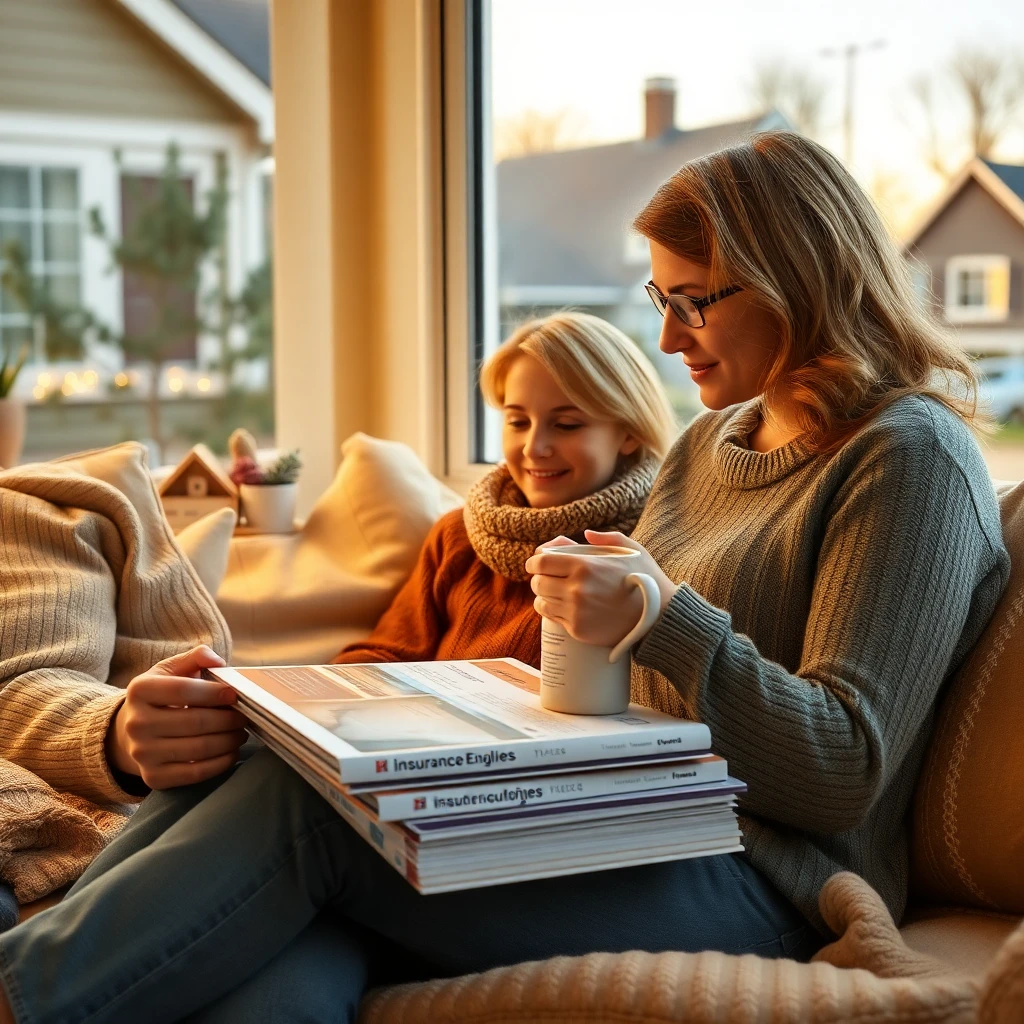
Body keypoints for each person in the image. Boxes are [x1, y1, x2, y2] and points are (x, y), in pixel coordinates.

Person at [0, 131, 1008, 1024]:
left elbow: (843, 770)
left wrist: (664, 618)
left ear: (801, 275)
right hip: (624, 815)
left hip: (761, 880)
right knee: (283, 813)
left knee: (316, 818)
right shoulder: (709, 446)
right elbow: (625, 693)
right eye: (664, 298)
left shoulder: (904, 454)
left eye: (695, 301)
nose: (667, 335)